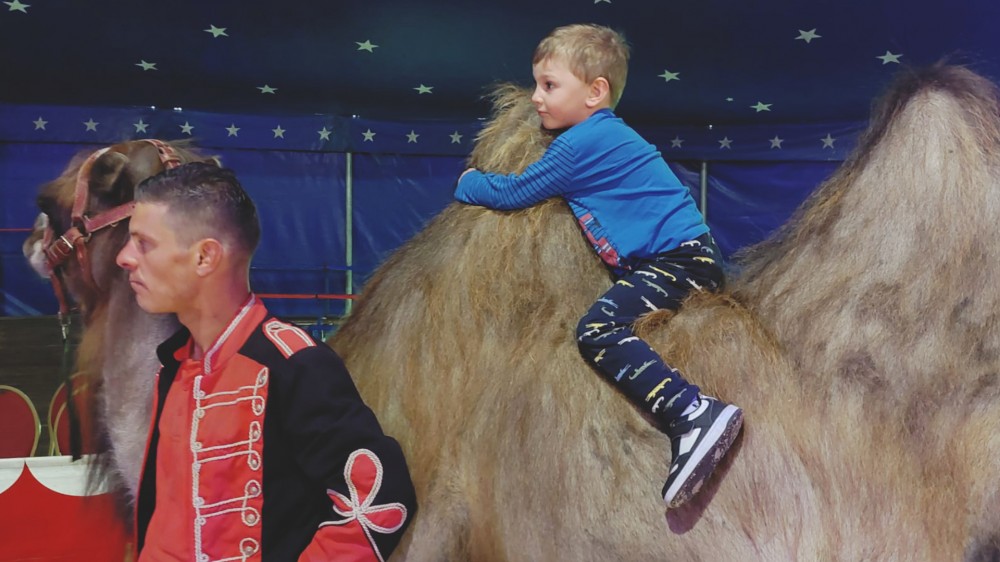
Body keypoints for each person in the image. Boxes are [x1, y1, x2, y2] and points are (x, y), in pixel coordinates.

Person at [455, 23, 743, 509]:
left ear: (595, 92)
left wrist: (468, 182)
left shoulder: (582, 143)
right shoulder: (604, 135)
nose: (536, 97)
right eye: (536, 84)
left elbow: (514, 192)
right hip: (685, 256)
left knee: (598, 330)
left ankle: (692, 412)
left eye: (549, 85)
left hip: (678, 260)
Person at [116, 162, 416, 561]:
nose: (124, 257)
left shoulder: (292, 364)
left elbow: (380, 497)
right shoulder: (172, 366)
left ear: (205, 257)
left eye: (143, 243)